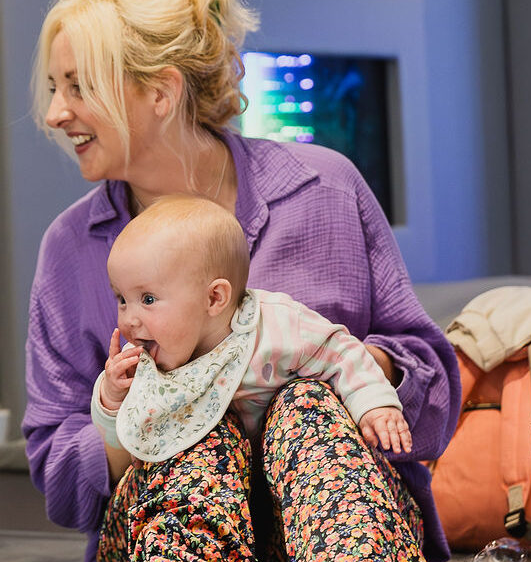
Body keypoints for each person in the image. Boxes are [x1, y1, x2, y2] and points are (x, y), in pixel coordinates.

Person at [23, 0, 471, 562]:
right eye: (55, 87)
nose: (57, 113)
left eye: (79, 86)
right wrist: (152, 409)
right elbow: (58, 475)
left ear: (160, 93)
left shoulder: (326, 187)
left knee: (306, 405)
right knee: (192, 427)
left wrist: (339, 365)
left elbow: (433, 386)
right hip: (175, 559)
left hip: (341, 541)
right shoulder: (70, 248)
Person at [90, 194, 413, 465]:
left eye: (147, 299)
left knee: (308, 399)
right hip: (208, 490)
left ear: (214, 298)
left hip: (289, 474)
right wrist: (112, 397)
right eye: (122, 299)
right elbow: (118, 444)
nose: (130, 319)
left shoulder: (276, 326)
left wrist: (375, 405)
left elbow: (342, 353)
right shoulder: (141, 360)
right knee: (193, 451)